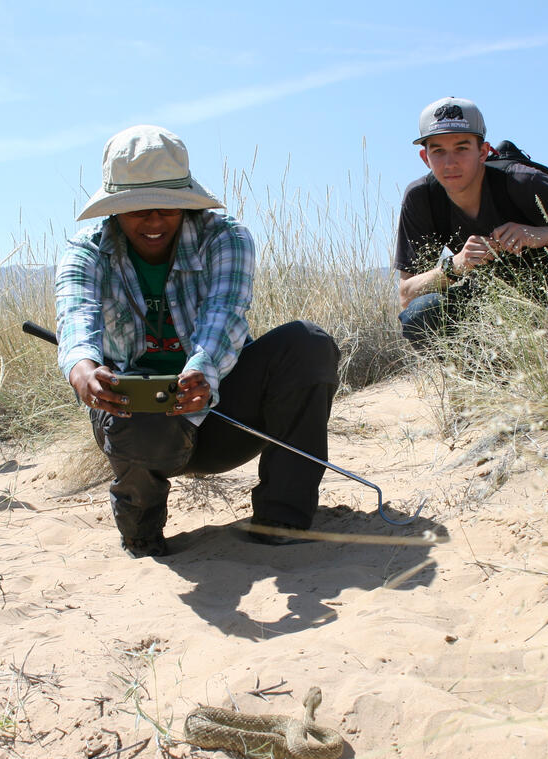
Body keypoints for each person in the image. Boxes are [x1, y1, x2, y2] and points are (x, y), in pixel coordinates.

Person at [55, 125, 340, 558]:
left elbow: (224, 317)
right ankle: (142, 531)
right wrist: (83, 371)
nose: (154, 221)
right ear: (114, 211)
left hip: (221, 414)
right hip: (138, 426)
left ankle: (283, 515)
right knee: (134, 402)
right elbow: (77, 319)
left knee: (308, 344)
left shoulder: (225, 237)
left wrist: (202, 373)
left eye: (167, 207)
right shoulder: (86, 253)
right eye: (138, 209)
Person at [394, 96, 548, 349]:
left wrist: (544, 234)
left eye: (462, 148)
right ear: (425, 157)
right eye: (438, 151)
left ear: (483, 152)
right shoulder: (422, 198)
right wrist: (454, 265)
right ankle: (486, 380)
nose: (450, 162)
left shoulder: (522, 182)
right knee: (420, 314)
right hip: (487, 302)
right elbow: (406, 294)